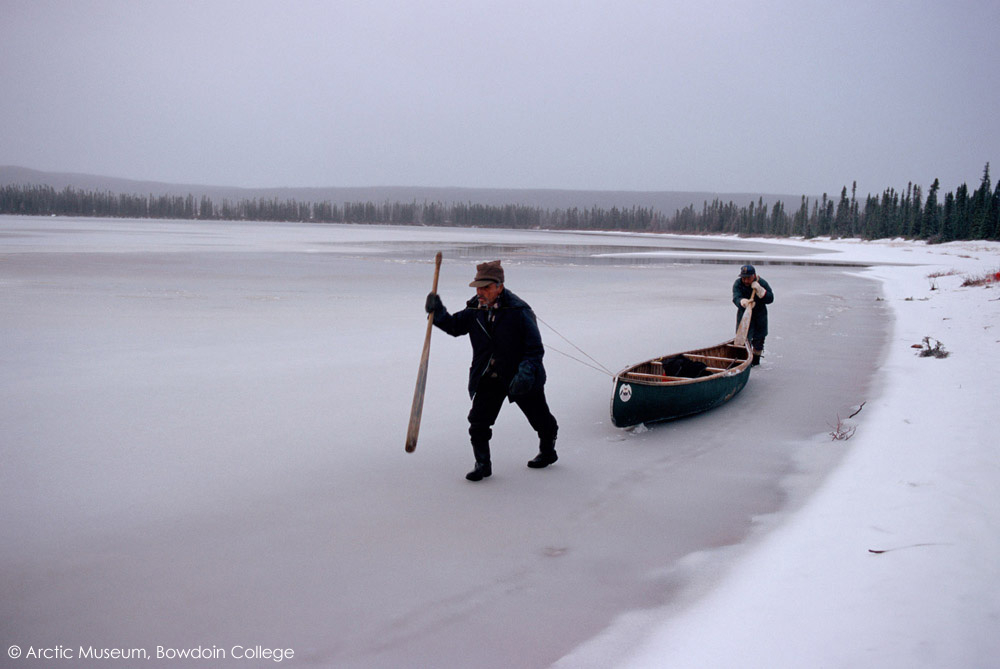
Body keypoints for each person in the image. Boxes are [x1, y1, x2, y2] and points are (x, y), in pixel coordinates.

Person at [425, 260, 559, 481]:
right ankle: (482, 464)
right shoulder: (474, 309)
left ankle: (548, 451)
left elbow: (534, 349)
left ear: (499, 286)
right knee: (477, 422)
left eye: (486, 287)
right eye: (478, 287)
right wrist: (437, 312)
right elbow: (455, 326)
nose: (481, 292)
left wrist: (526, 372)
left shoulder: (519, 310)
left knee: (541, 419)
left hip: (520, 376)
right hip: (489, 376)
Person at [732, 263, 774, 366]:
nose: (746, 281)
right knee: (743, 340)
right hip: (744, 316)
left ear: (754, 276)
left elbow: (770, 298)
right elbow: (736, 297)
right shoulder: (738, 283)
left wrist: (761, 291)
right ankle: (744, 363)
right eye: (744, 278)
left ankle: (755, 362)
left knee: (759, 341)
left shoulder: (761, 283)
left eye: (748, 278)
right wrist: (742, 302)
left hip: (760, 316)